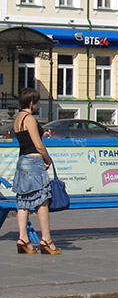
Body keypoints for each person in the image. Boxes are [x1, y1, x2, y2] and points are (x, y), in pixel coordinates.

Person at [12, 88, 61, 255]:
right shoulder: (29, 119)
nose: (38, 104)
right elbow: (38, 144)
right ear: (31, 103)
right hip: (34, 162)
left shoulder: (17, 119)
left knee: (23, 201)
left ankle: (23, 239)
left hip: (22, 162)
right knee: (42, 200)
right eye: (37, 102)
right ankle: (46, 240)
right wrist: (48, 159)